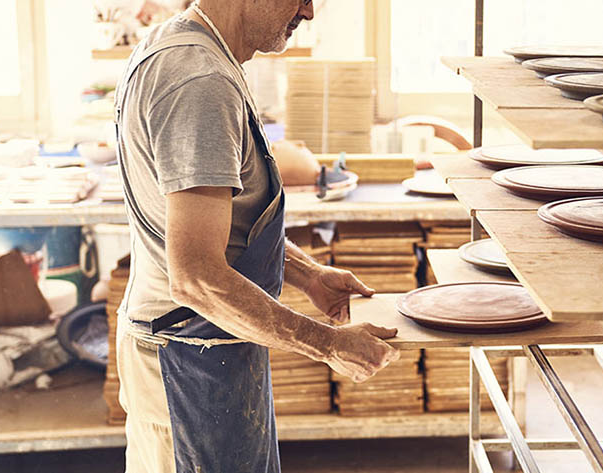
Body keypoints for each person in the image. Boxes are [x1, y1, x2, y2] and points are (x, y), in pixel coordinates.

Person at [114, 1, 400, 472]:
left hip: (200, 347)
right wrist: (327, 344)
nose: (308, 12)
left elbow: (219, 228)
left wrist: (308, 275)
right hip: (188, 363)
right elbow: (197, 278)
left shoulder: (186, 45)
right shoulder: (200, 81)